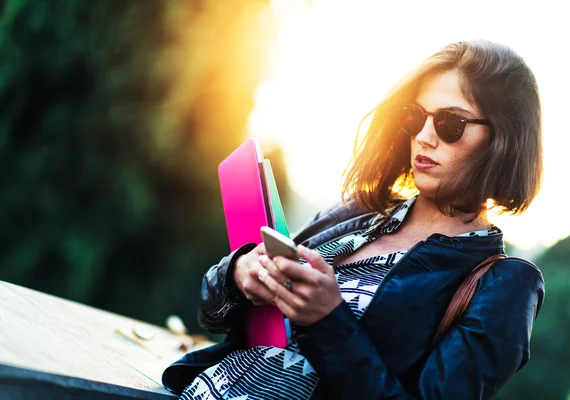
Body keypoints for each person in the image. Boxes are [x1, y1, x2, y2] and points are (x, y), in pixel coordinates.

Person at [162, 39, 545, 400]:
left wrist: (329, 321)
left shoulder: (507, 286)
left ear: (503, 140)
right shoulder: (357, 211)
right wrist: (239, 273)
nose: (425, 137)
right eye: (415, 117)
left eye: (450, 123)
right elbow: (211, 313)